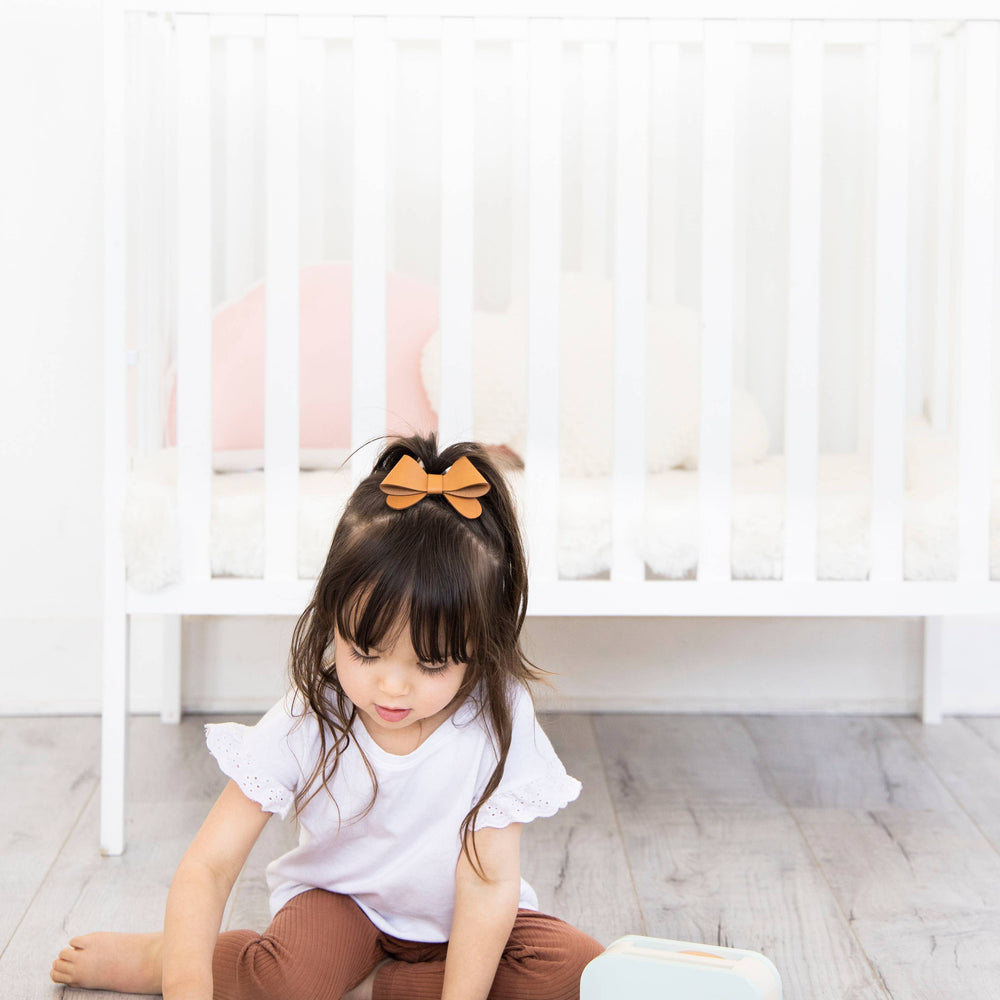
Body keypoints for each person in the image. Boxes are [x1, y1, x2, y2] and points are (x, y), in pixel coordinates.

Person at [51, 434, 604, 1000]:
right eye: (365, 653)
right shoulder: (310, 715)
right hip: (342, 906)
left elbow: (488, 885)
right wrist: (186, 985)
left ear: (478, 646)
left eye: (431, 663)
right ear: (332, 616)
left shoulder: (498, 714)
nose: (391, 686)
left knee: (580, 972)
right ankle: (168, 956)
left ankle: (372, 986)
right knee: (290, 979)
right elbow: (210, 866)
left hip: (459, 925)